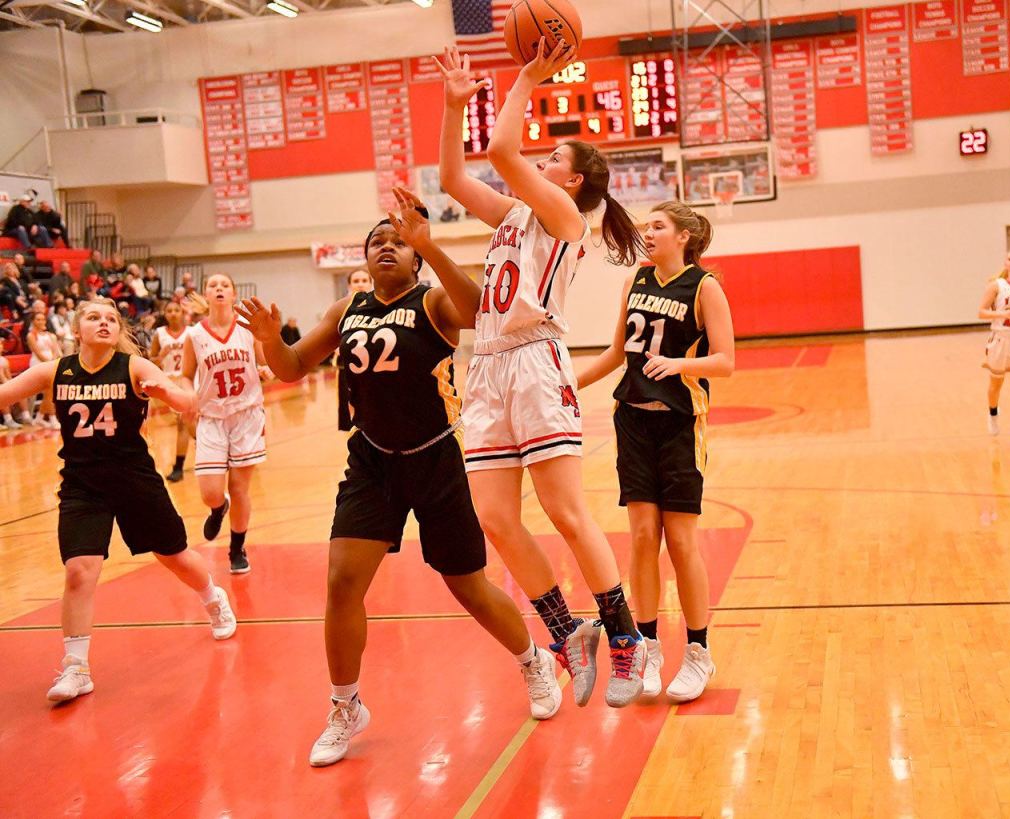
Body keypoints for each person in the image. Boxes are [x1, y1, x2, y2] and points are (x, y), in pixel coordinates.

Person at [236, 190, 562, 768]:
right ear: (364, 258)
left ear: (413, 256)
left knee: (468, 588)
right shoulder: (347, 309)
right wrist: (269, 340)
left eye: (397, 241)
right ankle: (345, 706)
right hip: (372, 461)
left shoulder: (432, 300)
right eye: (376, 242)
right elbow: (291, 368)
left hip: (436, 459)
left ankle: (531, 661)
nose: (386, 247)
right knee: (341, 582)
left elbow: (477, 312)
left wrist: (429, 245)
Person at [435, 44, 650, 707]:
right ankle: (566, 632)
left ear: (574, 181)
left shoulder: (564, 218)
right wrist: (452, 106)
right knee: (496, 518)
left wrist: (527, 76)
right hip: (488, 366)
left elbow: (501, 151)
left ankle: (626, 638)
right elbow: (451, 179)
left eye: (554, 158)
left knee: (565, 510)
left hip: (535, 360)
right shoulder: (514, 215)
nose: (542, 161)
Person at [0, 298, 237, 704]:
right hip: (82, 483)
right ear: (77, 330)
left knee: (174, 556)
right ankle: (76, 667)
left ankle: (213, 598)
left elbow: (184, 403)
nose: (104, 323)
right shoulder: (56, 370)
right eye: (94, 317)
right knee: (79, 571)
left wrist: (169, 393)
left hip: (134, 480)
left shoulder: (133, 367)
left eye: (111, 318)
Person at [577, 202, 735, 702]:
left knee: (682, 541)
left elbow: (726, 360)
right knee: (643, 537)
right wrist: (567, 385)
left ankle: (698, 651)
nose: (647, 233)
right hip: (633, 420)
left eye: (658, 227)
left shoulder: (705, 287)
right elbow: (615, 352)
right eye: (646, 227)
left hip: (680, 423)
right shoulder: (636, 281)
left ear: (683, 236)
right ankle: (647, 646)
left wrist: (679, 365)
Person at [180, 273, 268, 574]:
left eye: (224, 285)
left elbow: (264, 362)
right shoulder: (194, 335)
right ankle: (219, 507)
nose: (219, 289)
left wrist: (267, 370)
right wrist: (188, 395)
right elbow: (185, 375)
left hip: (247, 414)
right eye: (213, 286)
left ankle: (236, 548)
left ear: (233, 294)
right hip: (211, 417)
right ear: (206, 295)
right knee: (210, 492)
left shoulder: (247, 329)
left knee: (240, 488)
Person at [979, 248, 1010, 445]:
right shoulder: (996, 286)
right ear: (1005, 264)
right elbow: (981, 312)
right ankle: (993, 413)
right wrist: (1002, 314)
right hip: (1000, 340)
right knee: (995, 386)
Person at [151, 301, 191, 482]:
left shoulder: (192, 332)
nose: (173, 313)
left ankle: (178, 467)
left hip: (189, 380)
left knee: (184, 422)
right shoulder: (159, 334)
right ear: (165, 314)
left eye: (177, 310)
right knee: (189, 424)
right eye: (169, 310)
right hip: (170, 382)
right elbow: (152, 362)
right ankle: (213, 449)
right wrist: (161, 355)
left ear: (182, 312)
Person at [26, 310, 62, 428]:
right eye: (38, 319)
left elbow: (56, 351)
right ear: (33, 321)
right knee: (49, 392)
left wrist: (53, 363)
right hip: (38, 365)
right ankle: (51, 418)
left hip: (51, 364)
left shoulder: (51, 335)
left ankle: (40, 418)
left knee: (49, 392)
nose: (41, 321)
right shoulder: (31, 335)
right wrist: (49, 364)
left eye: (43, 319)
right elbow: (38, 353)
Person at [0, 354, 33, 430]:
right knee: (2, 391)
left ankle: (26, 417)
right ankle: (8, 419)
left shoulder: (3, 360)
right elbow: (2, 378)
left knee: (19, 389)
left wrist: (12, 385)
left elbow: (9, 377)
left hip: (4, 382)